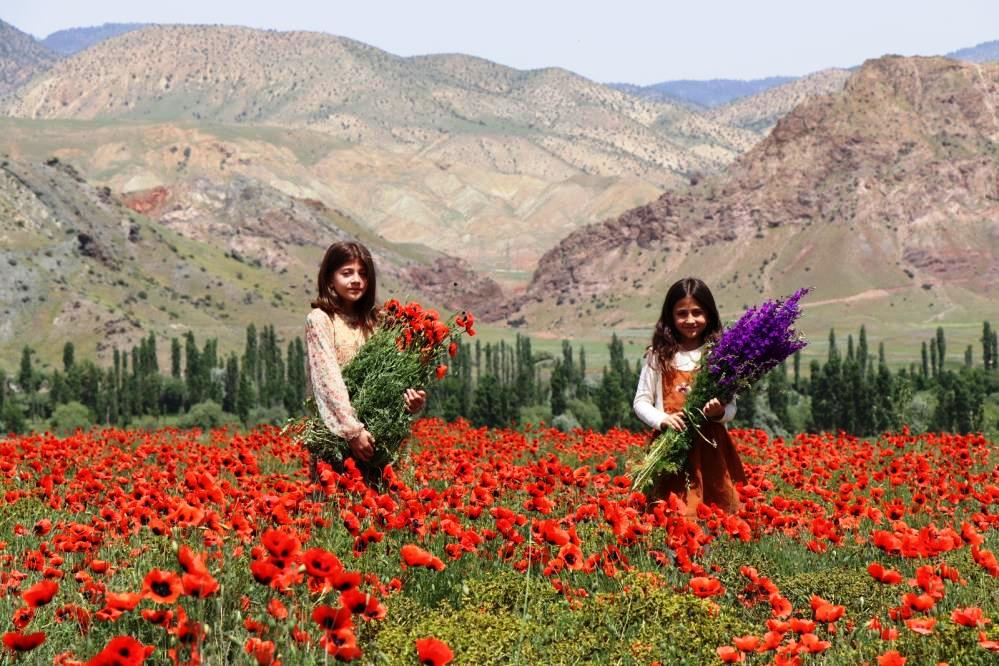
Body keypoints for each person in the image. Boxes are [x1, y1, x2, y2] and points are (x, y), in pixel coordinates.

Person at [304, 241, 425, 485]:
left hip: (379, 440)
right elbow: (328, 380)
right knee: (337, 509)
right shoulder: (320, 320)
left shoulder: (379, 322)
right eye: (347, 273)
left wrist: (412, 401)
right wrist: (353, 431)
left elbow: (394, 378)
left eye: (362, 273)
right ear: (329, 279)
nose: (356, 280)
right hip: (337, 437)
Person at [633, 277, 746, 515]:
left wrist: (719, 413)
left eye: (697, 312)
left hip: (711, 449)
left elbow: (732, 408)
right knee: (671, 511)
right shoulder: (659, 356)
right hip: (672, 447)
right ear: (670, 316)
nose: (690, 320)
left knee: (715, 513)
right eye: (682, 313)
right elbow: (641, 402)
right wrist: (661, 419)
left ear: (709, 315)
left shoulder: (720, 356)